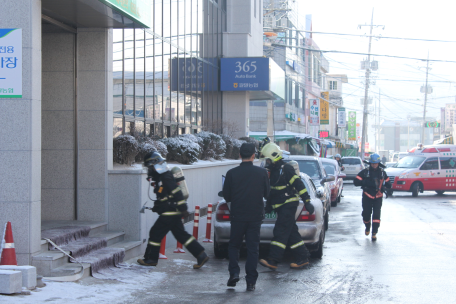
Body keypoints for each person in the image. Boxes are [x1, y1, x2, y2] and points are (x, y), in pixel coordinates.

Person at [137, 151, 209, 269]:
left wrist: (183, 208)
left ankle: (151, 259)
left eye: (149, 167)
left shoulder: (165, 177)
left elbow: (176, 192)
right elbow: (165, 196)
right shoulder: (161, 177)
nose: (149, 170)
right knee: (182, 235)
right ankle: (201, 255)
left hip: (170, 212)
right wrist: (157, 206)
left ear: (155, 165)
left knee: (155, 233)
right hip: (171, 211)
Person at [258, 142, 314, 270]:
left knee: (280, 231)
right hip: (281, 206)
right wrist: (268, 208)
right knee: (291, 232)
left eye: (267, 160)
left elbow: (299, 184)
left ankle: (273, 260)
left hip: (289, 204)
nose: (266, 163)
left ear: (274, 157)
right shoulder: (273, 171)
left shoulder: (286, 168)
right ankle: (303, 258)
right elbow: (273, 192)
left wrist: (307, 201)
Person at [222, 143, 270, 292]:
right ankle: (251, 282)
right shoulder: (262, 173)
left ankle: (234, 274)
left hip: (237, 215)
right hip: (255, 216)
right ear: (254, 156)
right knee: (252, 248)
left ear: (239, 155)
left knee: (234, 245)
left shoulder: (231, 173)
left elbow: (227, 196)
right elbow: (267, 194)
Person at [353, 153, 391, 241]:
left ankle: (374, 233)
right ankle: (367, 226)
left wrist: (385, 186)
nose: (374, 165)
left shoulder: (382, 172)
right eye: (372, 163)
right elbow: (355, 182)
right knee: (366, 215)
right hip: (367, 196)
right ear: (370, 163)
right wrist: (365, 183)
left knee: (376, 215)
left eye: (376, 163)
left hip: (378, 197)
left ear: (378, 163)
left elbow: (389, 183)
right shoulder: (365, 172)